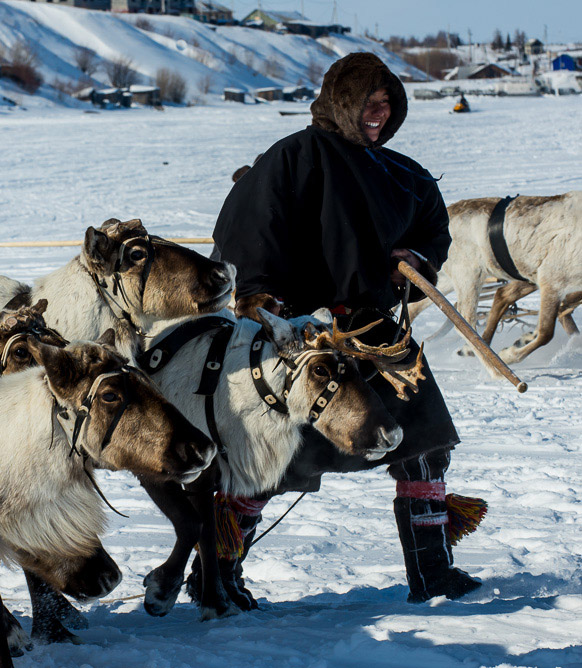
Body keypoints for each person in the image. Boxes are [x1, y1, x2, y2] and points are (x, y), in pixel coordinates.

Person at [202, 52, 484, 607]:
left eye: (387, 104)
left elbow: (434, 227)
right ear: (341, 102)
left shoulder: (401, 172)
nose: (378, 115)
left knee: (423, 446)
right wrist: (260, 297)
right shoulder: (292, 158)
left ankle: (434, 574)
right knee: (271, 461)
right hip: (302, 338)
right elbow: (248, 226)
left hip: (376, 330)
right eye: (367, 104)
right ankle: (217, 577)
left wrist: (419, 257)